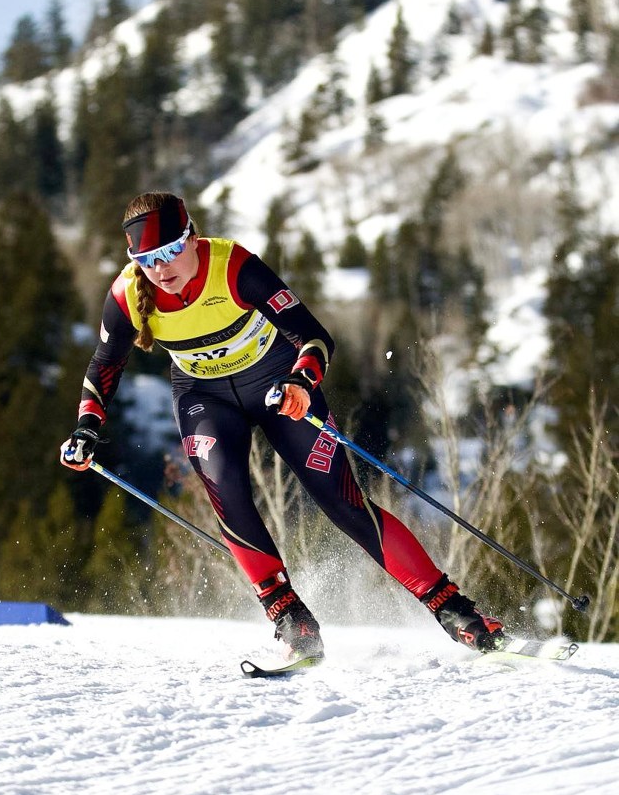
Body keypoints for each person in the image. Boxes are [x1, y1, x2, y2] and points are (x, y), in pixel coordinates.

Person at [61, 191, 505, 661]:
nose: (162, 268)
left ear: (191, 237)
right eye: (147, 259)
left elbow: (313, 335)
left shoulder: (233, 266)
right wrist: (86, 428)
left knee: (343, 503)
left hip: (275, 384)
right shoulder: (128, 293)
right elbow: (105, 364)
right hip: (204, 398)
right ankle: (290, 618)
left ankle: (457, 612)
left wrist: (302, 380)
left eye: (171, 250)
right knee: (226, 489)